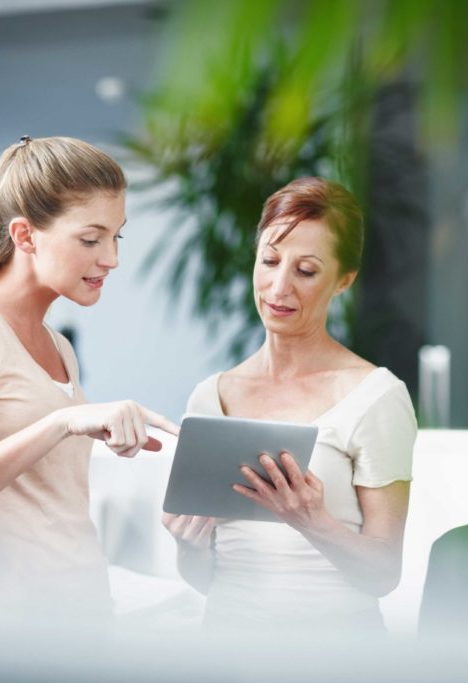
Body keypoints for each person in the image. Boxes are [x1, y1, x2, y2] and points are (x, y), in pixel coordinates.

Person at [0, 136, 178, 626]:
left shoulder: (59, 346)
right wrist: (62, 424)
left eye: (118, 237)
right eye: (91, 239)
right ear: (25, 236)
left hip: (82, 621)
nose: (111, 258)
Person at [162, 177, 416, 633]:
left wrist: (312, 521)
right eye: (270, 261)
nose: (278, 287)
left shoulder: (376, 396)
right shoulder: (210, 396)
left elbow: (384, 575)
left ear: (344, 279)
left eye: (306, 270)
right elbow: (204, 581)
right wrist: (189, 547)